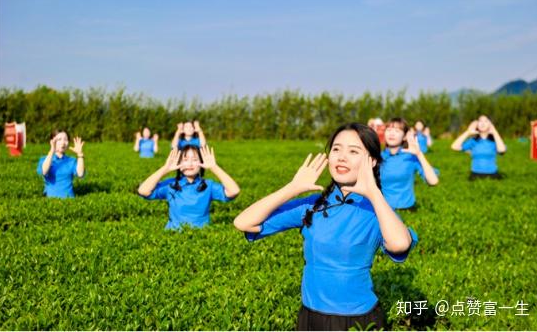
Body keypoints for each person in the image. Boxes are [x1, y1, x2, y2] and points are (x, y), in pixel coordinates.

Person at [233, 123, 418, 331]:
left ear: (372, 161)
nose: (341, 157)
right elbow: (243, 222)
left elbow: (400, 244)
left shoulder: (376, 210)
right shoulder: (312, 205)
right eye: (336, 149)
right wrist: (292, 188)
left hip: (359, 319)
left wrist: (373, 193)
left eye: (353, 151)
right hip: (311, 317)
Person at [138, 145, 240, 229]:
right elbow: (143, 191)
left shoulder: (208, 185)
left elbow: (234, 191)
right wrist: (165, 169)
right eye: (185, 159)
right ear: (178, 163)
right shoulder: (171, 185)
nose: (190, 164)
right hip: (173, 235)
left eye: (195, 159)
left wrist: (214, 167)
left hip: (202, 236)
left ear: (201, 163)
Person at [380, 118, 439, 211]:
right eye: (389, 130)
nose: (392, 133)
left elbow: (433, 181)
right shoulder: (378, 157)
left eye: (397, 130)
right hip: (383, 210)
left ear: (404, 136)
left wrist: (419, 154)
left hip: (408, 209)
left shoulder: (411, 157)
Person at [451, 115, 507, 179]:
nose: (483, 123)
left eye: (486, 121)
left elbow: (502, 150)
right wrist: (468, 132)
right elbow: (454, 147)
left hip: (493, 175)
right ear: (477, 125)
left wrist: (494, 132)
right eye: (480, 121)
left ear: (491, 125)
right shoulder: (473, 141)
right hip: (475, 175)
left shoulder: (495, 141)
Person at [37, 130, 85, 198]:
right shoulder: (45, 159)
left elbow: (80, 174)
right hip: (51, 202)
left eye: (65, 139)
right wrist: (51, 151)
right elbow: (44, 171)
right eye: (59, 139)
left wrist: (80, 154)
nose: (63, 142)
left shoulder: (71, 160)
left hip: (70, 201)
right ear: (52, 142)